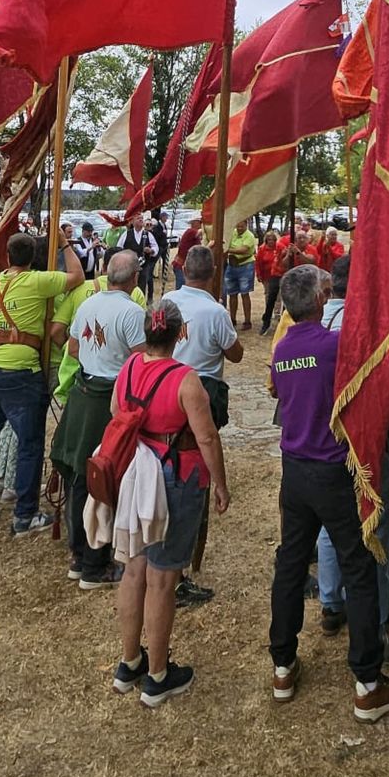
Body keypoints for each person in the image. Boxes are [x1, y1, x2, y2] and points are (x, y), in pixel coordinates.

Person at [267, 265, 389, 721]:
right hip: (332, 470)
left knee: (290, 563)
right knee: (359, 567)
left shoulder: (283, 349)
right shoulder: (334, 348)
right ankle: (367, 681)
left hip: (295, 472)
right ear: (322, 296)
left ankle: (283, 666)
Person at [109, 300, 230, 707]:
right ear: (180, 334)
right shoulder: (185, 380)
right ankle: (158, 674)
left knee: (134, 569)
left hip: (136, 471)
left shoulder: (128, 368)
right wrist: (221, 484)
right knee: (163, 577)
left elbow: (117, 414)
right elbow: (208, 437)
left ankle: (130, 661)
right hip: (175, 475)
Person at [316, 253, 389, 667]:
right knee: (375, 530)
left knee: (330, 526)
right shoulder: (366, 329)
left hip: (320, 449)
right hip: (366, 445)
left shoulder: (305, 320)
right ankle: (376, 622)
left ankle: (331, 602)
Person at [0, 232, 83, 537]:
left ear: (8, 257)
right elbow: (77, 275)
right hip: (17, 369)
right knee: (29, 443)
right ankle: (25, 515)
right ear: (32, 259)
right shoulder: (36, 281)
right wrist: (65, 243)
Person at [50, 249, 144, 582]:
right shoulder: (132, 313)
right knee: (104, 477)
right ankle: (94, 562)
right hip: (110, 402)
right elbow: (140, 361)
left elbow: (73, 347)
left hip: (83, 392)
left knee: (80, 475)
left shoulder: (88, 303)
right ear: (134, 278)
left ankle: (79, 555)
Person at [170, 243, 242, 606]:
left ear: (184, 269)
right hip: (198, 393)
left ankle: (179, 564)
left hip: (166, 391)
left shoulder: (167, 303)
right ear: (212, 273)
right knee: (194, 474)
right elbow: (236, 352)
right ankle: (178, 570)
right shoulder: (215, 311)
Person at [222, 218, 258, 327]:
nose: (239, 228)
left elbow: (243, 250)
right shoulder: (232, 233)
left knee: (244, 293)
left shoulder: (250, 236)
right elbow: (225, 244)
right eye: (238, 226)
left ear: (246, 225)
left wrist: (228, 250)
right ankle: (232, 319)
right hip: (231, 266)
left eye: (241, 226)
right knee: (232, 294)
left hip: (245, 265)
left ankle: (247, 320)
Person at [121, 208, 161, 302]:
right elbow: (119, 248)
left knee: (142, 286)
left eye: (141, 218)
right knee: (129, 287)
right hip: (129, 267)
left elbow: (156, 247)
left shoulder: (147, 234)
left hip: (143, 266)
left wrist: (151, 250)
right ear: (132, 221)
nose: (140, 220)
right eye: (138, 218)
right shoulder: (126, 234)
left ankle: (140, 305)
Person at [256, 225, 283, 335]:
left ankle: (277, 314)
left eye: (272, 239)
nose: (271, 241)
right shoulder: (262, 249)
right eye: (269, 240)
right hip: (267, 275)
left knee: (279, 297)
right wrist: (259, 274)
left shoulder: (279, 247)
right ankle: (268, 316)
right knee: (268, 295)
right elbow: (258, 262)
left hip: (278, 275)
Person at [173, 216, 203, 290]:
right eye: (200, 222)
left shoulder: (192, 233)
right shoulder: (191, 231)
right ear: (195, 223)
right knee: (182, 287)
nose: (201, 224)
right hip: (181, 265)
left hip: (183, 265)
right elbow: (201, 232)